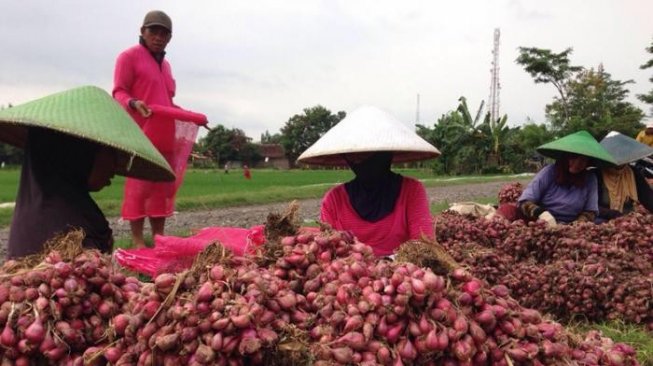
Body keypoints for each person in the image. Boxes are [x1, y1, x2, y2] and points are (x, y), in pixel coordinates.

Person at [0, 86, 174, 258]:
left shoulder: (39, 209)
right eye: (111, 152)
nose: (114, 169)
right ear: (81, 154)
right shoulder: (71, 233)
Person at [297, 106, 440, 257]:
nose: (361, 162)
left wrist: (388, 265)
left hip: (404, 276)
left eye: (368, 155)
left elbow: (425, 249)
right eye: (355, 157)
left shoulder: (411, 191)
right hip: (349, 279)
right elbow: (327, 254)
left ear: (386, 154)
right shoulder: (334, 200)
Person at [113, 10, 204, 248]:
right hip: (141, 132)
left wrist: (192, 118)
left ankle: (159, 238)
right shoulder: (128, 57)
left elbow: (168, 103)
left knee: (162, 188)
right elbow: (119, 91)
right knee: (139, 186)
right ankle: (137, 240)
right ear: (142, 32)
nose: (158, 37)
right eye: (153, 31)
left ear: (169, 38)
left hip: (166, 135)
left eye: (164, 33)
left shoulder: (167, 67)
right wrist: (133, 103)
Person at [517, 130, 617, 226]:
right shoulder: (549, 172)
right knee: (507, 210)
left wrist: (577, 224)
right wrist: (541, 214)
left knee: (606, 224)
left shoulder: (590, 179)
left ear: (588, 162)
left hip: (573, 225)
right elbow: (524, 202)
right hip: (543, 223)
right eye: (573, 157)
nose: (577, 164)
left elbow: (591, 211)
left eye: (583, 160)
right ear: (565, 157)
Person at [595, 131, 653, 221]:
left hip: (628, 220)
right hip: (602, 220)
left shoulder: (633, 173)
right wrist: (614, 214)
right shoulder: (597, 174)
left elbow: (648, 197)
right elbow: (591, 206)